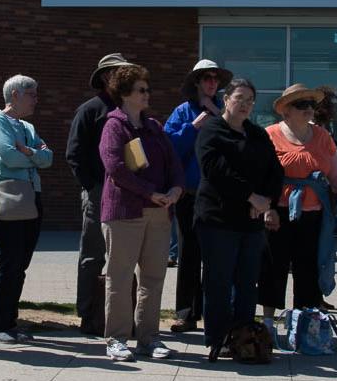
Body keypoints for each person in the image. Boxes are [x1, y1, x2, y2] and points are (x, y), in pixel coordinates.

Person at [99, 65, 184, 361]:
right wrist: (151, 192)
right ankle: (116, 339)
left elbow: (174, 163)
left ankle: (149, 338)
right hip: (124, 213)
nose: (147, 94)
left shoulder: (154, 126)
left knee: (153, 277)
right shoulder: (113, 126)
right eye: (141, 90)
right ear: (124, 94)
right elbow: (116, 168)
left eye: (147, 89)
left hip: (159, 214)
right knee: (120, 278)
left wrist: (175, 189)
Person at [194, 77, 283, 362]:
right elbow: (215, 170)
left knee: (247, 283)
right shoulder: (211, 130)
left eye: (249, 100)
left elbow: (275, 170)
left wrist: (266, 200)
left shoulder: (257, 134)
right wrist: (250, 196)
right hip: (218, 220)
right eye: (239, 98)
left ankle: (244, 338)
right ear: (226, 99)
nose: (244, 104)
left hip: (251, 221)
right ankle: (217, 338)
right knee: (218, 282)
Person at [258, 84, 337, 325]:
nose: (309, 109)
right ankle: (269, 324)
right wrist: (267, 209)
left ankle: (304, 324)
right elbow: (260, 177)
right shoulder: (269, 135)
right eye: (301, 105)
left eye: (311, 104)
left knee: (309, 268)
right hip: (278, 212)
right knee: (273, 266)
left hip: (313, 214)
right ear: (286, 111)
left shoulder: (323, 137)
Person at [67, 52, 133, 336]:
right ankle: (88, 312)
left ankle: (120, 315)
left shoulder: (129, 109)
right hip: (98, 193)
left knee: (124, 256)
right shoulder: (90, 110)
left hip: (128, 194)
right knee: (93, 254)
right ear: (107, 77)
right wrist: (92, 187)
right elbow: (74, 154)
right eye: (119, 72)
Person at [0, 75, 54, 345]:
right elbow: (8, 156)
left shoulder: (27, 126)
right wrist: (32, 155)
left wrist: (29, 153)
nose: (36, 99)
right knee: (10, 261)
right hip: (7, 196)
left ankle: (10, 322)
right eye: (32, 94)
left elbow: (48, 158)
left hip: (31, 197)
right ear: (15, 94)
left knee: (21, 264)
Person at [165, 59, 231, 332]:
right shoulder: (182, 112)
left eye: (215, 78)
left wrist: (219, 119)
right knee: (189, 254)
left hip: (218, 197)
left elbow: (238, 146)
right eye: (206, 78)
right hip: (189, 195)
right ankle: (185, 313)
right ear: (196, 82)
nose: (211, 82)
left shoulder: (225, 113)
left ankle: (212, 313)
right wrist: (193, 127)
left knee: (215, 256)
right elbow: (168, 148)